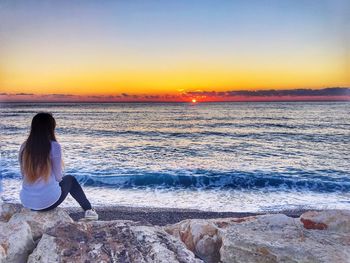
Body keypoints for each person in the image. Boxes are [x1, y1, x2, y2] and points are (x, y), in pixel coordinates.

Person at [19, 112, 98, 220]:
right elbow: (58, 176)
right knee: (70, 179)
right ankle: (89, 210)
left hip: (27, 202)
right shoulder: (54, 146)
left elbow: (23, 174)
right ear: (51, 128)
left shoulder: (24, 146)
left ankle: (89, 211)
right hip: (48, 202)